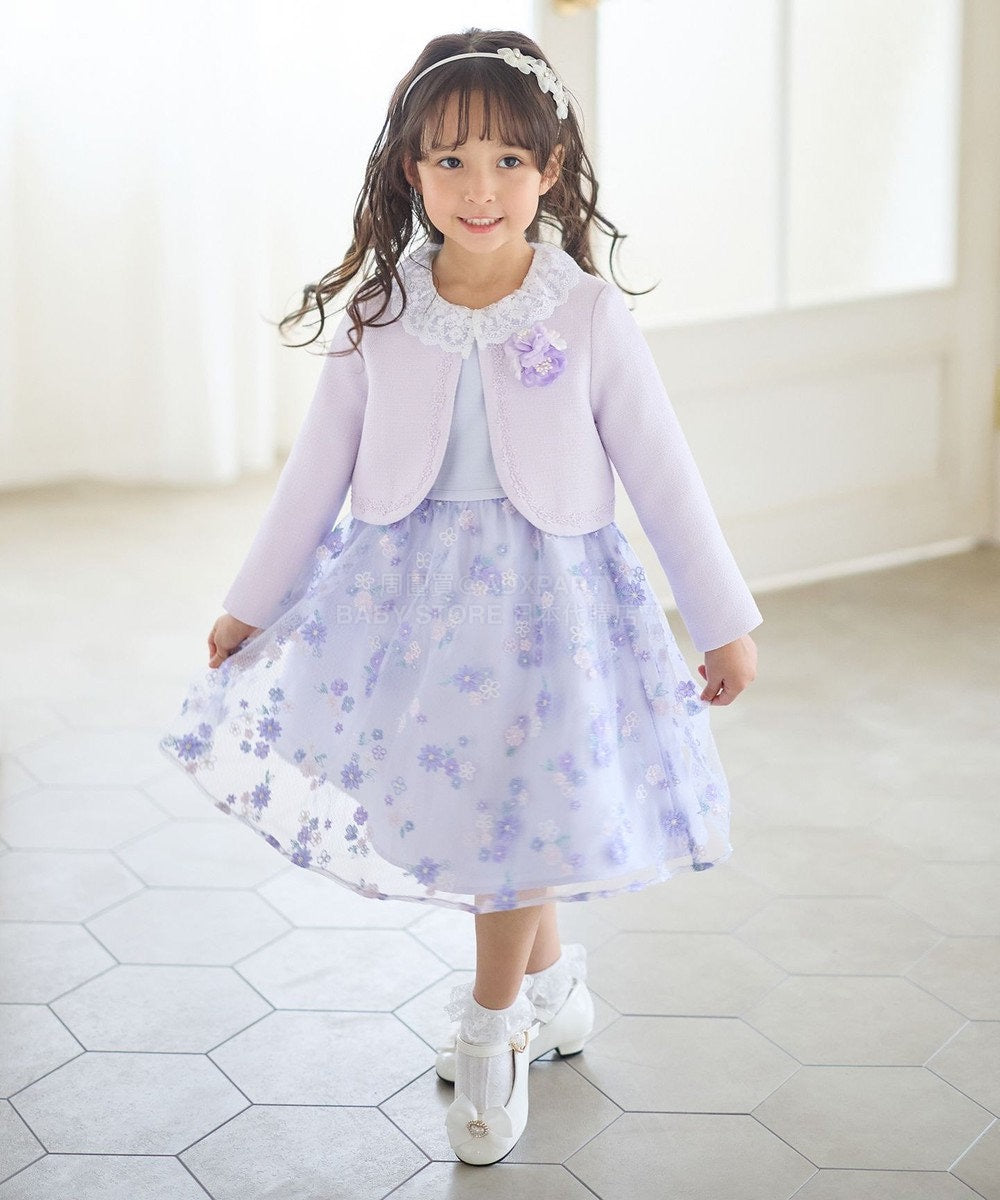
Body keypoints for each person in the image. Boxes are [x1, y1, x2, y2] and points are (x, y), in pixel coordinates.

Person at [159, 27, 762, 1166]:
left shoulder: (585, 312)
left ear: (550, 169)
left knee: (512, 810)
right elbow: (317, 469)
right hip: (412, 601)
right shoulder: (383, 312)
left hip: (554, 605)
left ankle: (493, 1028)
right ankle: (553, 985)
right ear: (411, 172)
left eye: (507, 162)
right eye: (450, 162)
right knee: (498, 805)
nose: (479, 190)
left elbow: (661, 467)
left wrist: (722, 618)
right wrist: (253, 602)